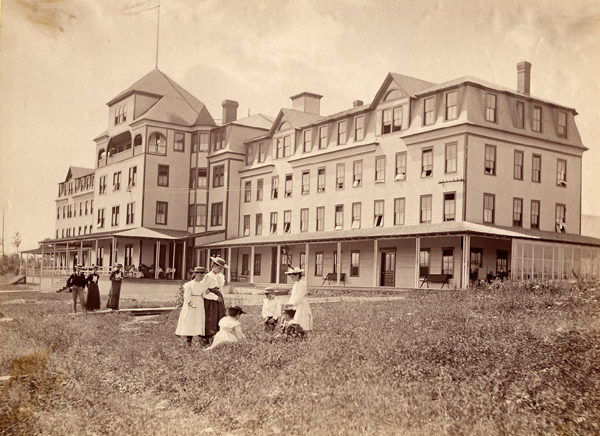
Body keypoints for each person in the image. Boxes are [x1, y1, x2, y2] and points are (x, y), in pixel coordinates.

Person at [175, 267, 219, 346]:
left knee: (198, 322)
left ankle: (202, 341)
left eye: (202, 276)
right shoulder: (189, 285)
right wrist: (192, 305)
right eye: (199, 275)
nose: (201, 277)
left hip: (199, 304)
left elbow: (206, 294)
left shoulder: (202, 285)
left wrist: (216, 297)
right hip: (191, 306)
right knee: (190, 321)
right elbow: (187, 297)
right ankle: (189, 341)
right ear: (195, 274)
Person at [203, 256, 228, 344]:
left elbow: (220, 288)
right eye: (219, 268)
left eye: (221, 269)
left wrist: (220, 297)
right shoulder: (208, 276)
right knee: (210, 317)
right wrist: (215, 297)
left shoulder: (219, 276)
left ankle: (217, 336)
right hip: (210, 301)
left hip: (218, 300)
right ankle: (206, 337)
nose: (220, 270)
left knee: (219, 316)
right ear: (213, 265)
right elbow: (204, 291)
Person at [285, 267, 313, 332]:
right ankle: (294, 331)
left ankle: (302, 331)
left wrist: (292, 303)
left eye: (292, 277)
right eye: (291, 277)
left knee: (300, 318)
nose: (291, 279)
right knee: (292, 318)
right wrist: (289, 303)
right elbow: (293, 295)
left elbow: (299, 296)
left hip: (300, 304)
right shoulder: (295, 284)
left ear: (297, 275)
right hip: (295, 304)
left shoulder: (302, 284)